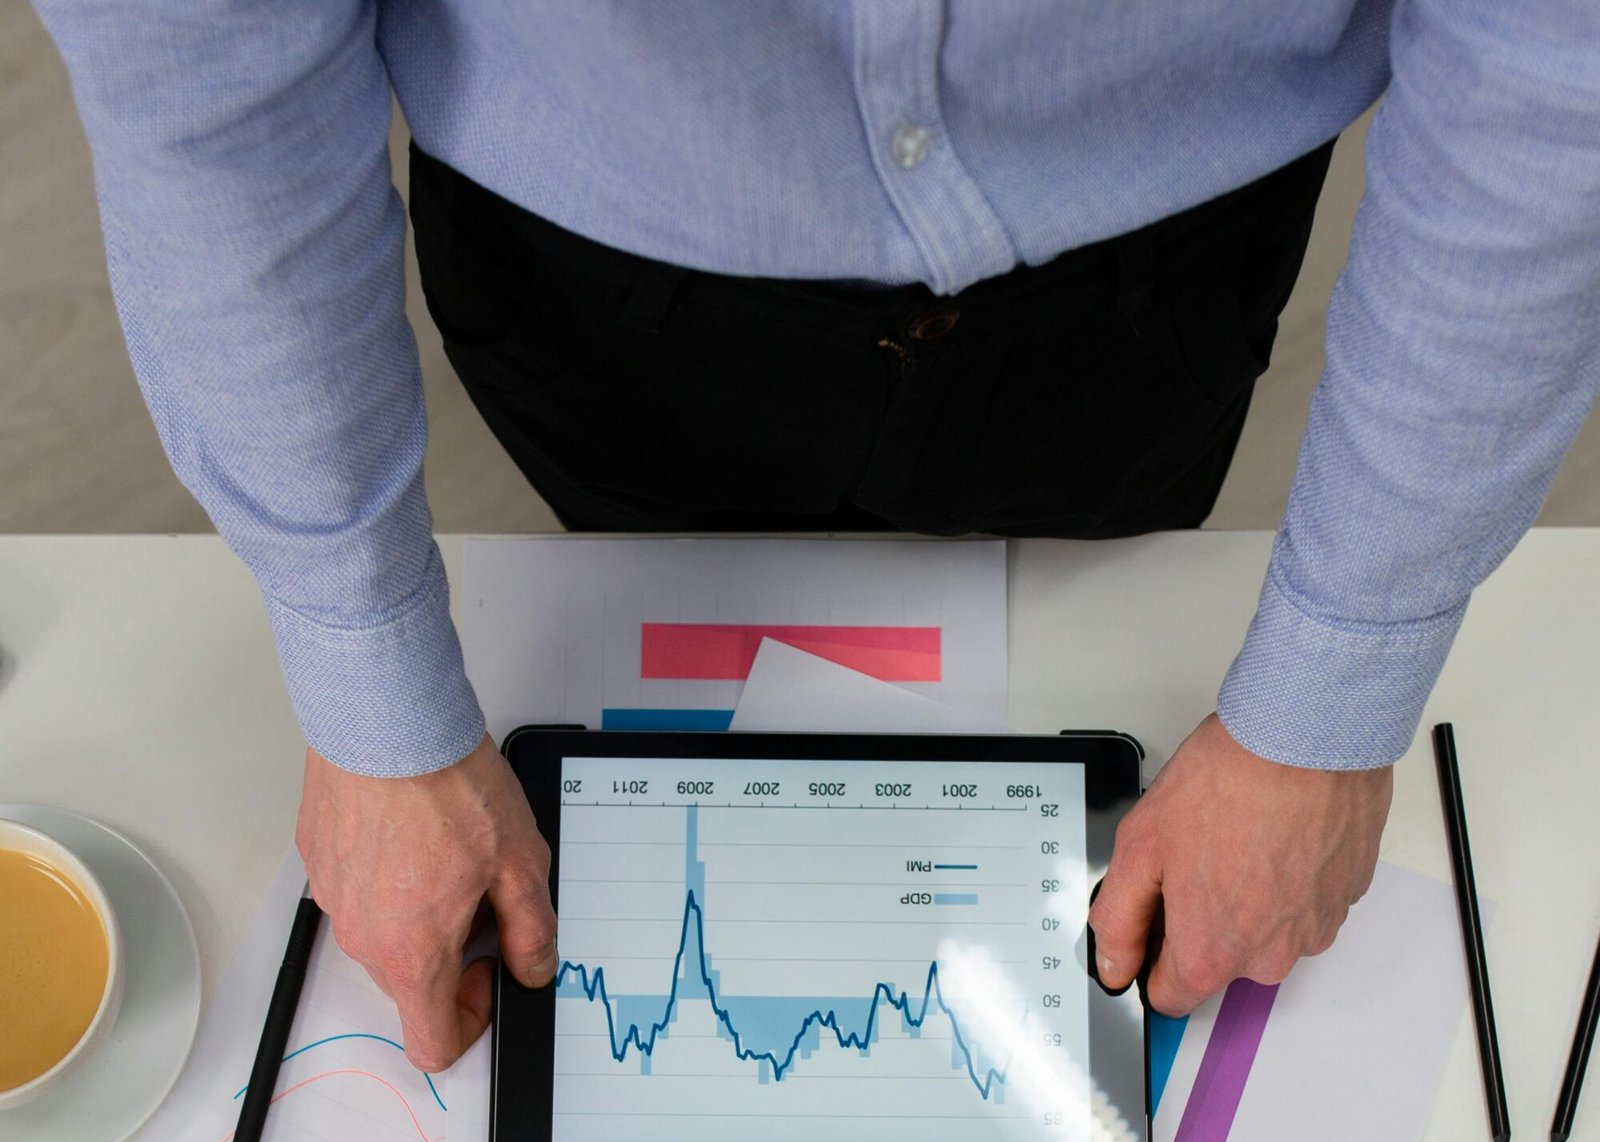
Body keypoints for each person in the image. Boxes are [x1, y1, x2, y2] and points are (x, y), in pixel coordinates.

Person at [38, 3, 1600, 1069]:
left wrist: (1326, 707)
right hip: (600, 269)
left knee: (1108, 560)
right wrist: (365, 684)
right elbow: (199, 67)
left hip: (1154, 263)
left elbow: (1555, 62)